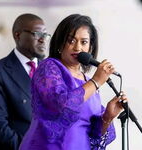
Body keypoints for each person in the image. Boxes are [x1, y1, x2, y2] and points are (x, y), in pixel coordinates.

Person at [19, 14, 128, 150]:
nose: (77, 48)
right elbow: (63, 105)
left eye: (84, 42)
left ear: (90, 47)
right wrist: (96, 81)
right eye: (71, 41)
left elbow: (94, 136)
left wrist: (107, 117)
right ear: (60, 43)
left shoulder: (89, 82)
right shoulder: (49, 68)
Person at [0, 13, 50, 150]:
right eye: (37, 33)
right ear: (17, 35)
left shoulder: (51, 71)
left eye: (45, 35)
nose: (43, 40)